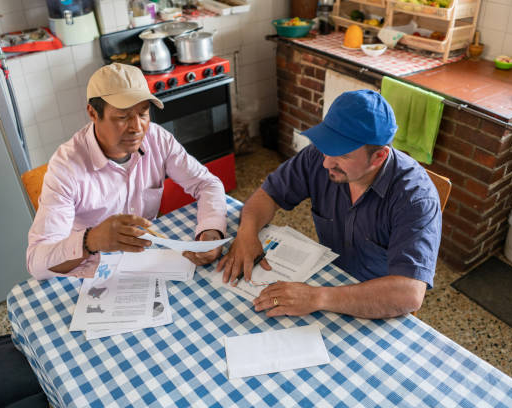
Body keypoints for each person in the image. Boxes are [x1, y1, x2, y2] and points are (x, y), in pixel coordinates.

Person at [217, 90, 442, 319]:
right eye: (327, 147)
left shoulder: (416, 199)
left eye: (342, 155)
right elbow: (268, 194)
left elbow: (408, 295)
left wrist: (317, 298)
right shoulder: (318, 157)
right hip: (326, 277)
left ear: (379, 157)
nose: (326, 163)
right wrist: (247, 233)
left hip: (375, 300)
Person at [27, 63, 227, 280]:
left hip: (147, 258)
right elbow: (36, 262)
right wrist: (91, 240)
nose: (137, 127)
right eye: (122, 117)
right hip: (93, 267)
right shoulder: (66, 167)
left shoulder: (157, 139)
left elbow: (207, 183)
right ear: (93, 113)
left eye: (143, 113)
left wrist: (211, 230)